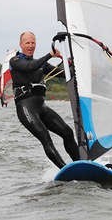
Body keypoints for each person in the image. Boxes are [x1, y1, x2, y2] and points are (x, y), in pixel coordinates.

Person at [9, 31, 80, 168]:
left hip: (42, 107)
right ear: (21, 44)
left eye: (33, 42)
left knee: (67, 132)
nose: (30, 45)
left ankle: (81, 165)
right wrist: (50, 55)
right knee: (46, 139)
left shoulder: (42, 65)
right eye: (27, 42)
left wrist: (68, 62)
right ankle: (65, 170)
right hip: (26, 108)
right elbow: (30, 66)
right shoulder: (16, 61)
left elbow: (66, 74)